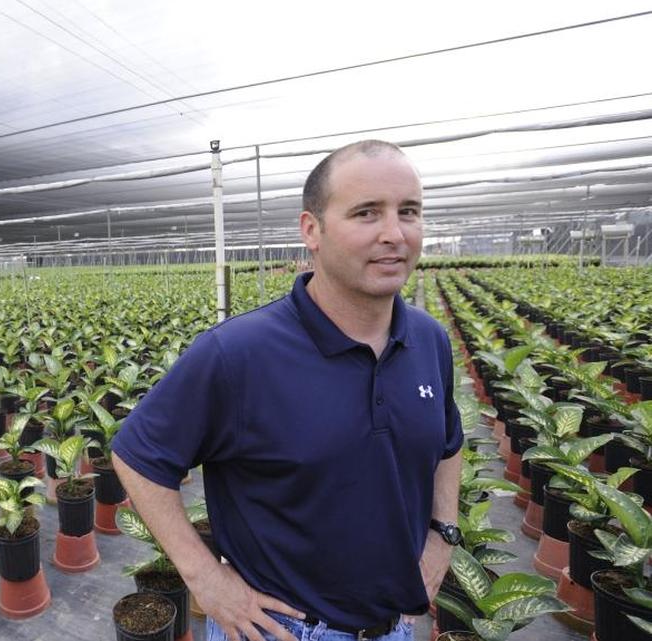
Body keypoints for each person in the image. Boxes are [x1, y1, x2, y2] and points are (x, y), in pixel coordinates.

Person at [111, 140, 463, 641]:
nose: (394, 233)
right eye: (366, 213)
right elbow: (137, 455)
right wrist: (205, 578)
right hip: (280, 629)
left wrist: (443, 532)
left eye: (409, 212)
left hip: (395, 627)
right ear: (311, 231)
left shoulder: (429, 339)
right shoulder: (238, 353)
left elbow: (449, 441)